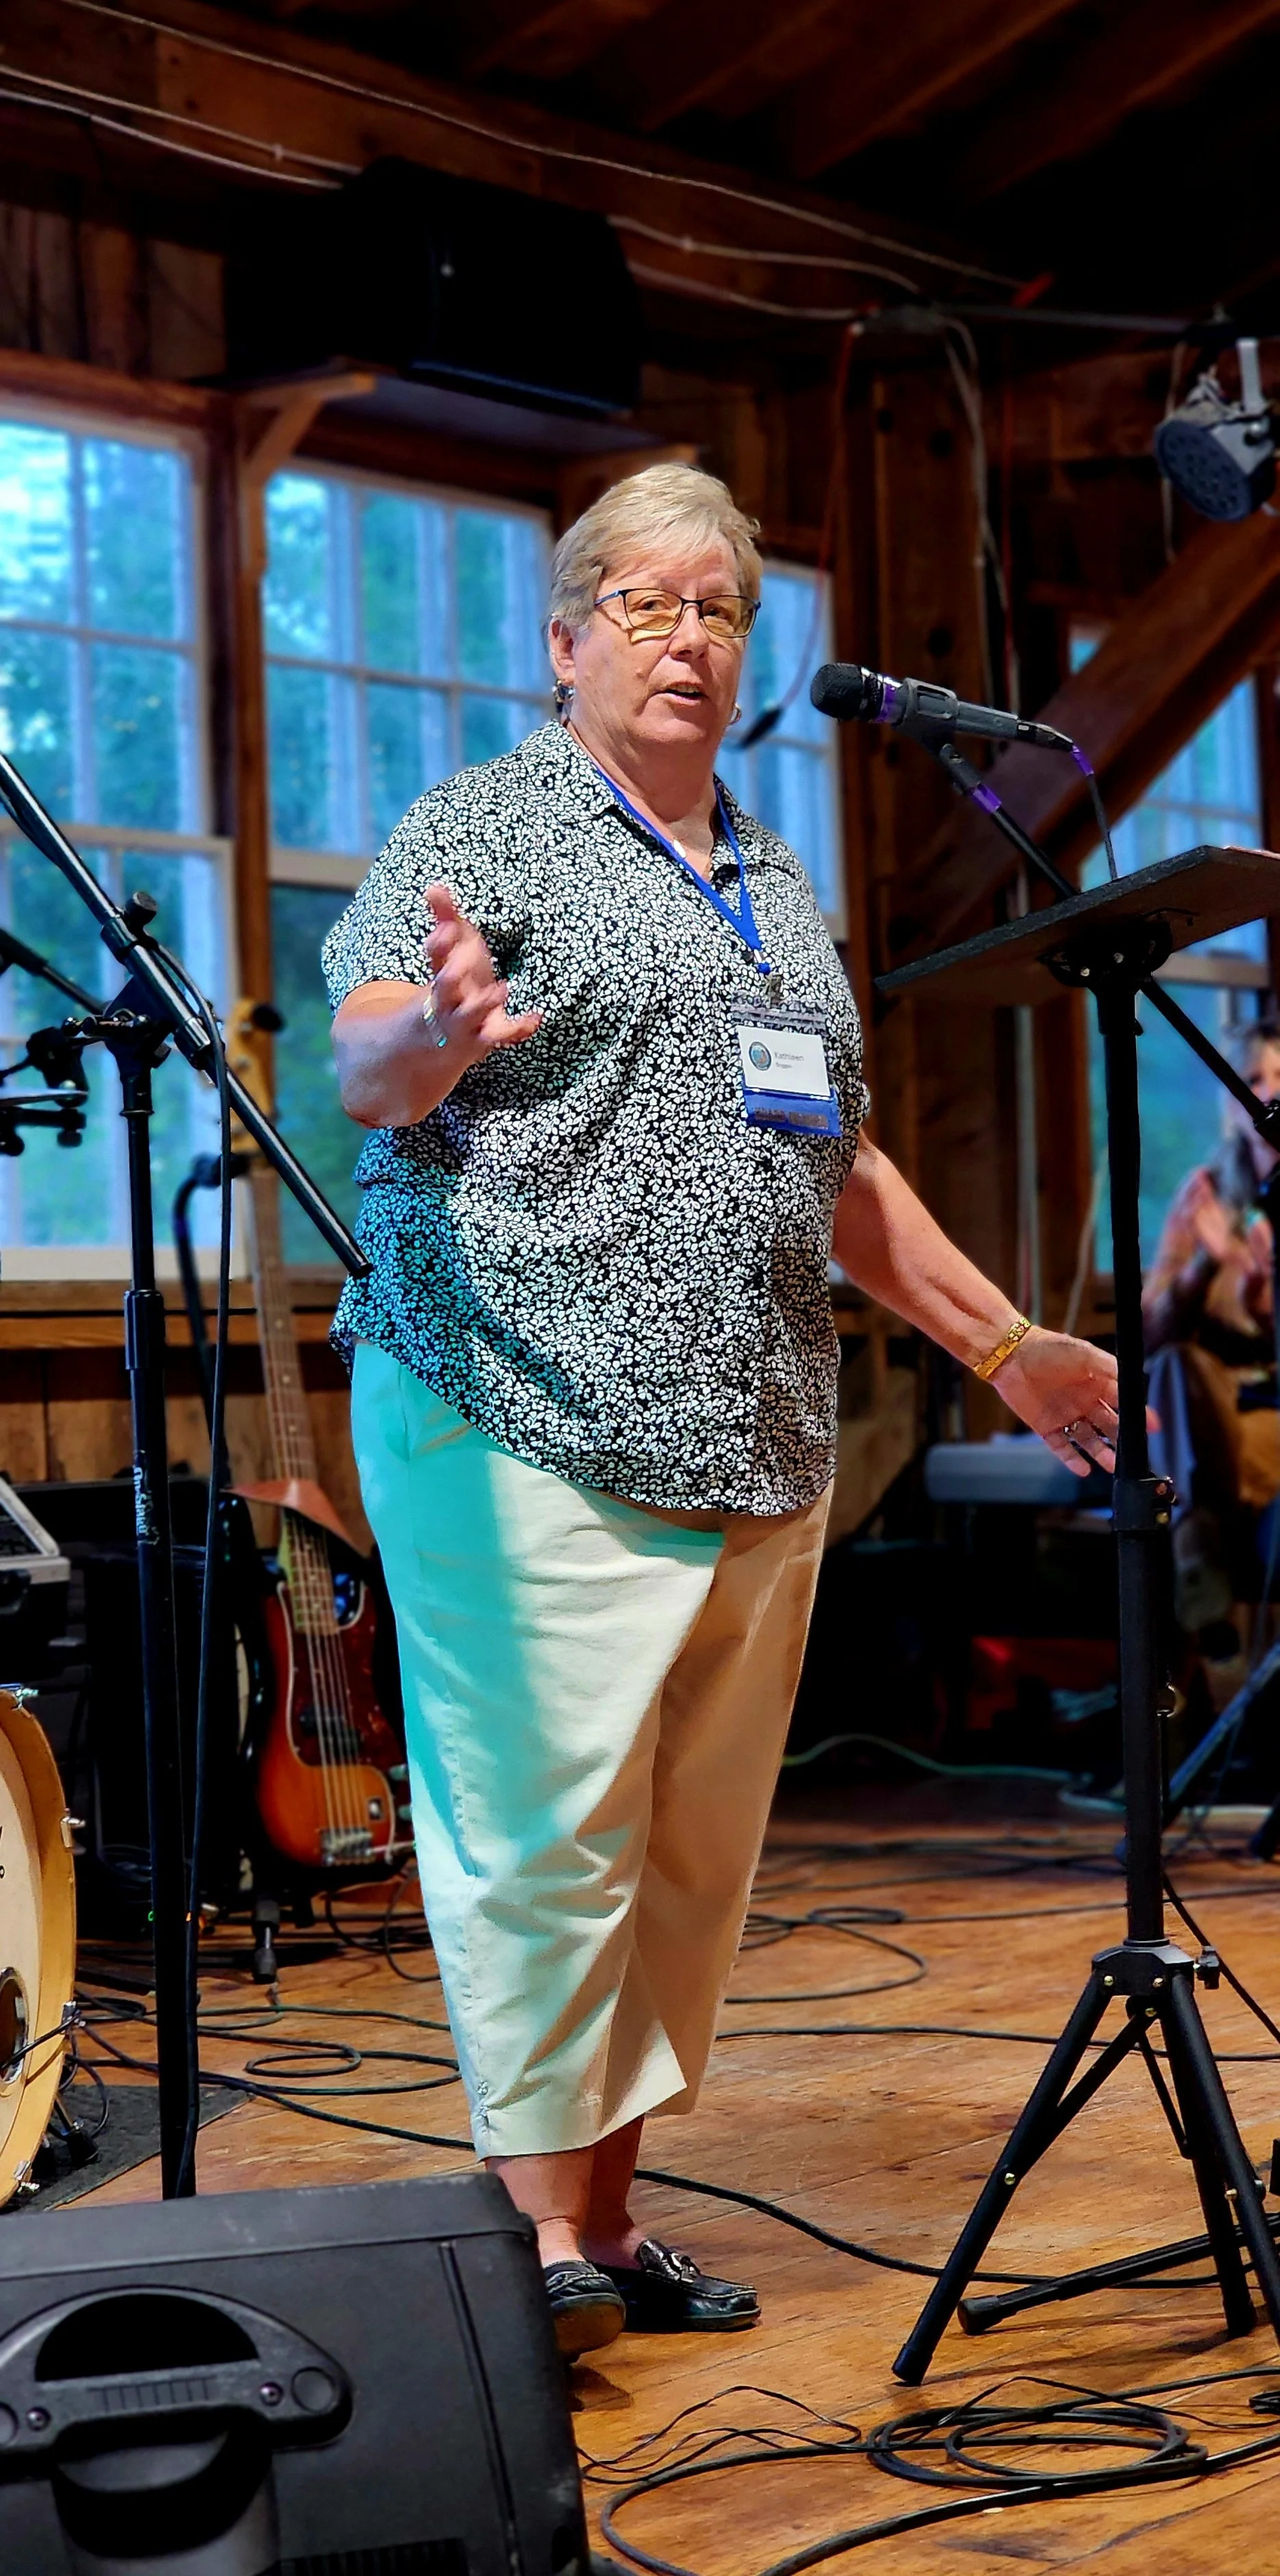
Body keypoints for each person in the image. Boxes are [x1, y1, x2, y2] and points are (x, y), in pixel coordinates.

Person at [324, 463, 1120, 2361]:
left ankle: (603, 2216)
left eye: (724, 614)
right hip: (508, 1401)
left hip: (751, 1435)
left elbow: (826, 1160)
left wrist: (1007, 1342)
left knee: (685, 1858)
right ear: (572, 634)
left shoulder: (770, 880)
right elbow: (365, 1049)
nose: (691, 641)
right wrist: (431, 1035)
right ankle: (531, 2262)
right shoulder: (487, 824)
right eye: (653, 605)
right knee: (544, 1841)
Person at [1144, 1020, 1280, 1645]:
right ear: (1233, 1100)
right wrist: (1205, 1263)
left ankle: (1198, 1556)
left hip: (1271, 1409)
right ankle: (1202, 1561)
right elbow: (1147, 1334)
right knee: (1173, 1365)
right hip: (1212, 1409)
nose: (1267, 1094)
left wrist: (1261, 1290)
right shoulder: (1204, 1194)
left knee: (1176, 1463)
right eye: (1253, 1080)